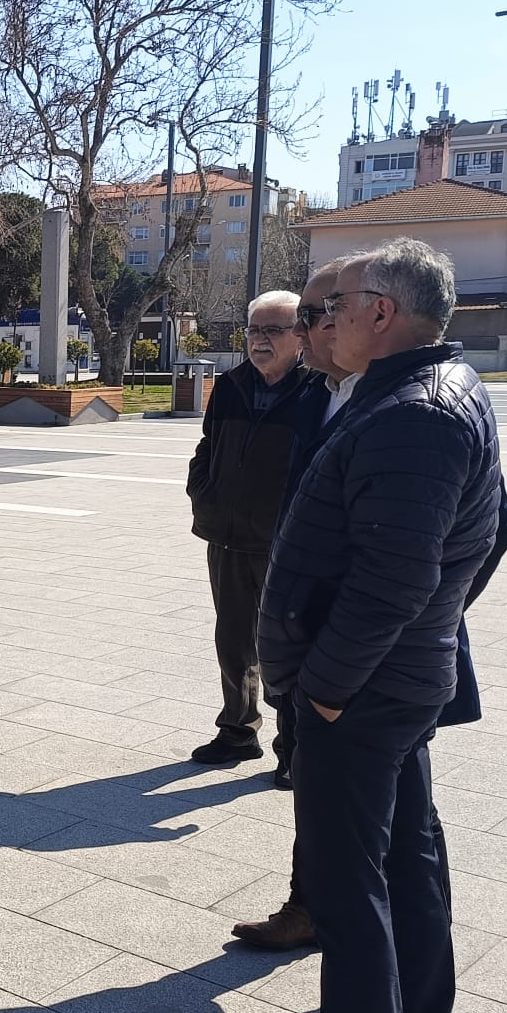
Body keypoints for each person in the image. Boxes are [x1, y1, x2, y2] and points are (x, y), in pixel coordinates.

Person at [228, 237, 504, 1013]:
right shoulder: (431, 391)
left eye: (333, 307)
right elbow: (489, 538)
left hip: (364, 695)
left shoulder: (414, 411)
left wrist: (330, 692)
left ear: (381, 312)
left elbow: (395, 579)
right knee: (407, 863)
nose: (322, 322)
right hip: (393, 682)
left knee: (351, 892)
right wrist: (430, 629)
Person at [184, 289, 316, 775]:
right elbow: (208, 444)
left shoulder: (319, 390)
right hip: (227, 535)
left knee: (286, 644)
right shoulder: (232, 384)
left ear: (300, 336)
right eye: (254, 330)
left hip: (287, 542)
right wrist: (203, 490)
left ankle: (294, 747)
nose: (260, 340)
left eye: (273, 330)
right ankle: (238, 731)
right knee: (233, 639)